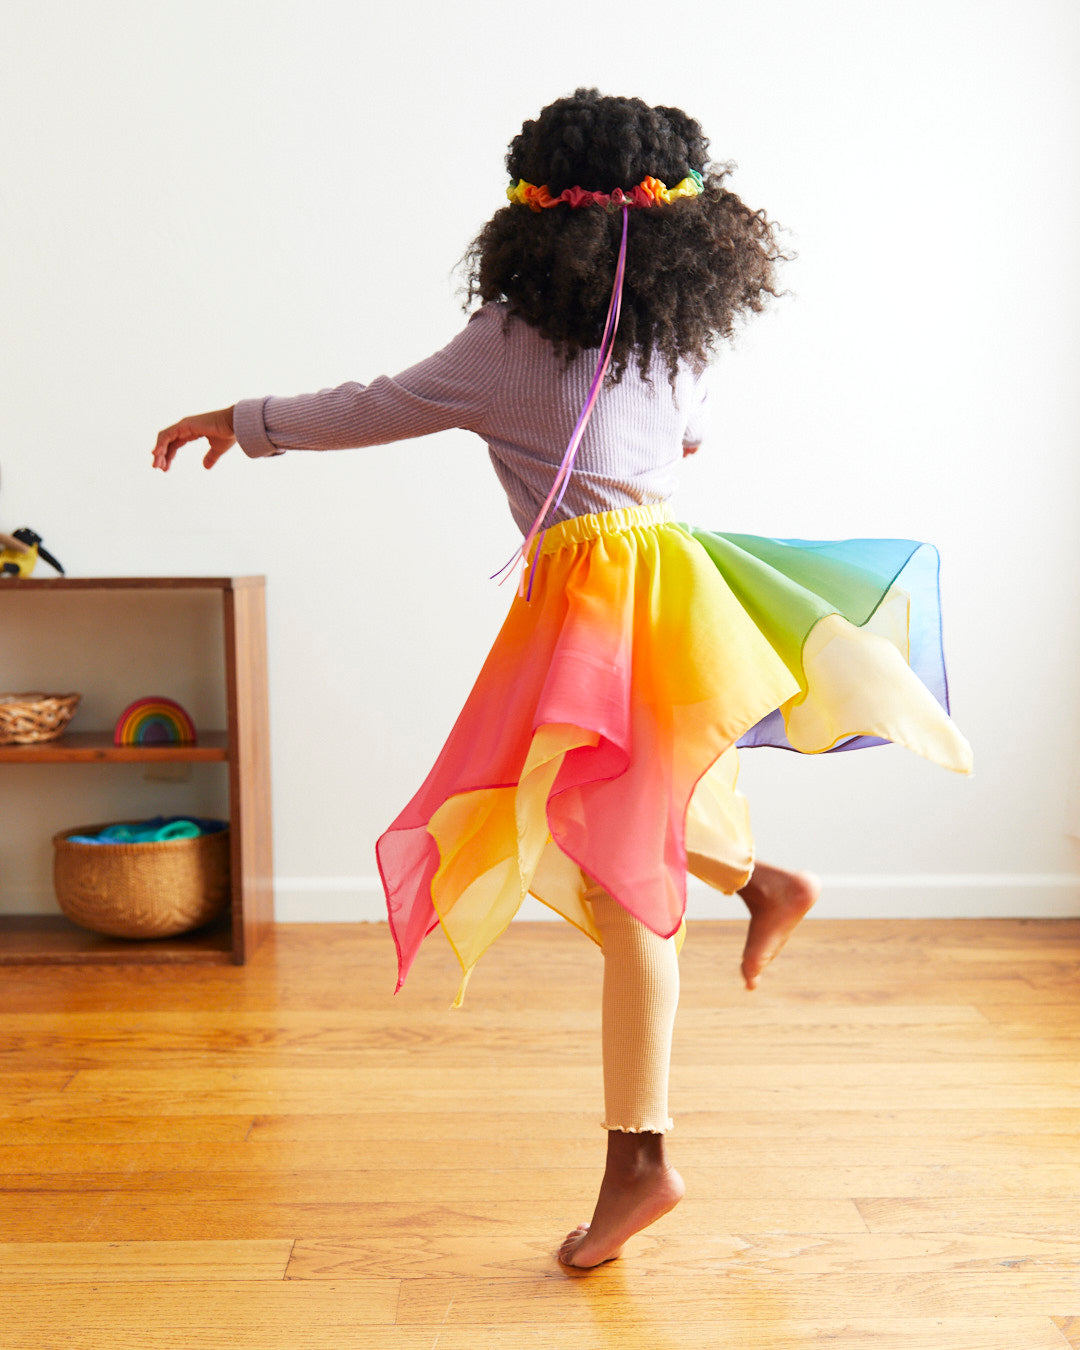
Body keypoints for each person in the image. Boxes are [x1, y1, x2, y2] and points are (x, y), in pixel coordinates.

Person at [153, 89, 972, 1269]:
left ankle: (641, 1157)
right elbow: (684, 443)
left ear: (530, 218)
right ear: (691, 233)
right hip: (672, 585)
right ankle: (760, 882)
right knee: (618, 817)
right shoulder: (674, 336)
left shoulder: (505, 344)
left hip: (592, 605)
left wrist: (243, 418)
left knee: (616, 872)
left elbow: (374, 406)